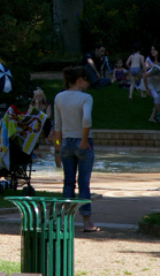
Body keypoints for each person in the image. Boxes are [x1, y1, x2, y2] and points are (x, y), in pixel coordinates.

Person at [49, 65, 100, 233]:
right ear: (79, 80)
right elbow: (86, 119)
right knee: (84, 183)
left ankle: (64, 221)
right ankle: (87, 222)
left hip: (65, 143)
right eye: (86, 81)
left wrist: (57, 148)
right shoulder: (86, 98)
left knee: (68, 182)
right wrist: (84, 140)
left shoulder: (59, 97)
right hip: (82, 142)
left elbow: (57, 125)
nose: (87, 85)